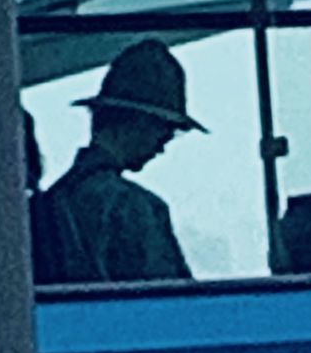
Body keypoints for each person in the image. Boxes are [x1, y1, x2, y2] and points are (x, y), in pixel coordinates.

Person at [37, 39, 206, 283]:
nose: (163, 146)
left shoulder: (49, 204)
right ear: (138, 122)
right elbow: (172, 308)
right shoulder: (136, 208)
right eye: (164, 131)